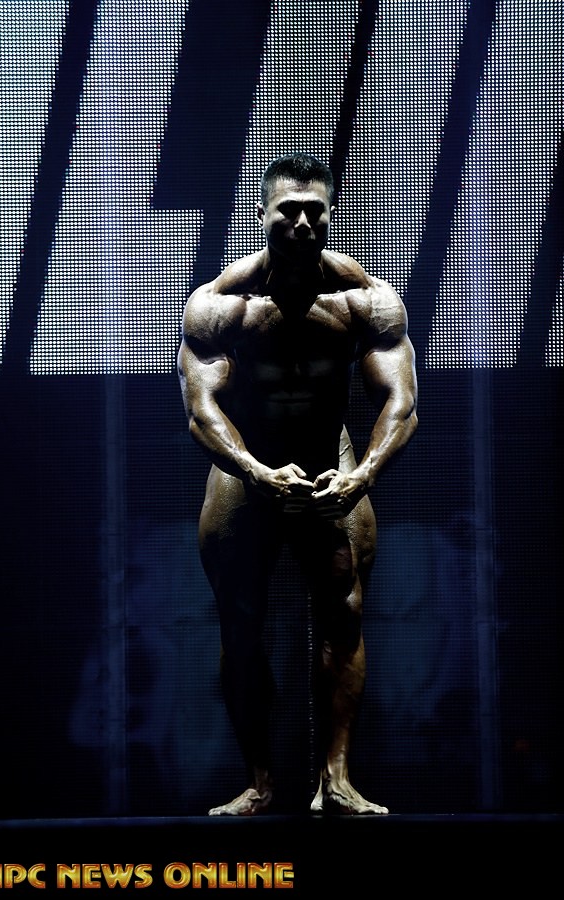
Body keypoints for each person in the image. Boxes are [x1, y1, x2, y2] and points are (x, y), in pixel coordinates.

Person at [177, 152, 418, 816]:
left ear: (332, 215)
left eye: (316, 211)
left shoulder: (365, 299)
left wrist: (362, 474)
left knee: (343, 614)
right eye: (289, 211)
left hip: (329, 459)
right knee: (240, 624)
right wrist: (254, 471)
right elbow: (201, 411)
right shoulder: (220, 304)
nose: (304, 223)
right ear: (261, 214)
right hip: (246, 469)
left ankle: (335, 780)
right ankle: (260, 783)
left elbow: (401, 405)